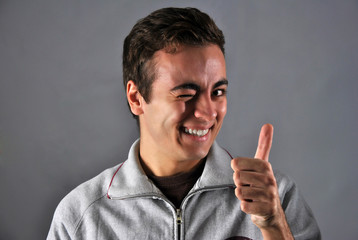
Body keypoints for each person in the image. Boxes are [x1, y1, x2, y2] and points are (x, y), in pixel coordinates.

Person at [47, 7, 321, 240]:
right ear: (136, 98)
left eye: (217, 92)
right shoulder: (80, 217)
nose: (207, 112)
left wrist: (274, 226)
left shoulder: (276, 197)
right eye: (186, 95)